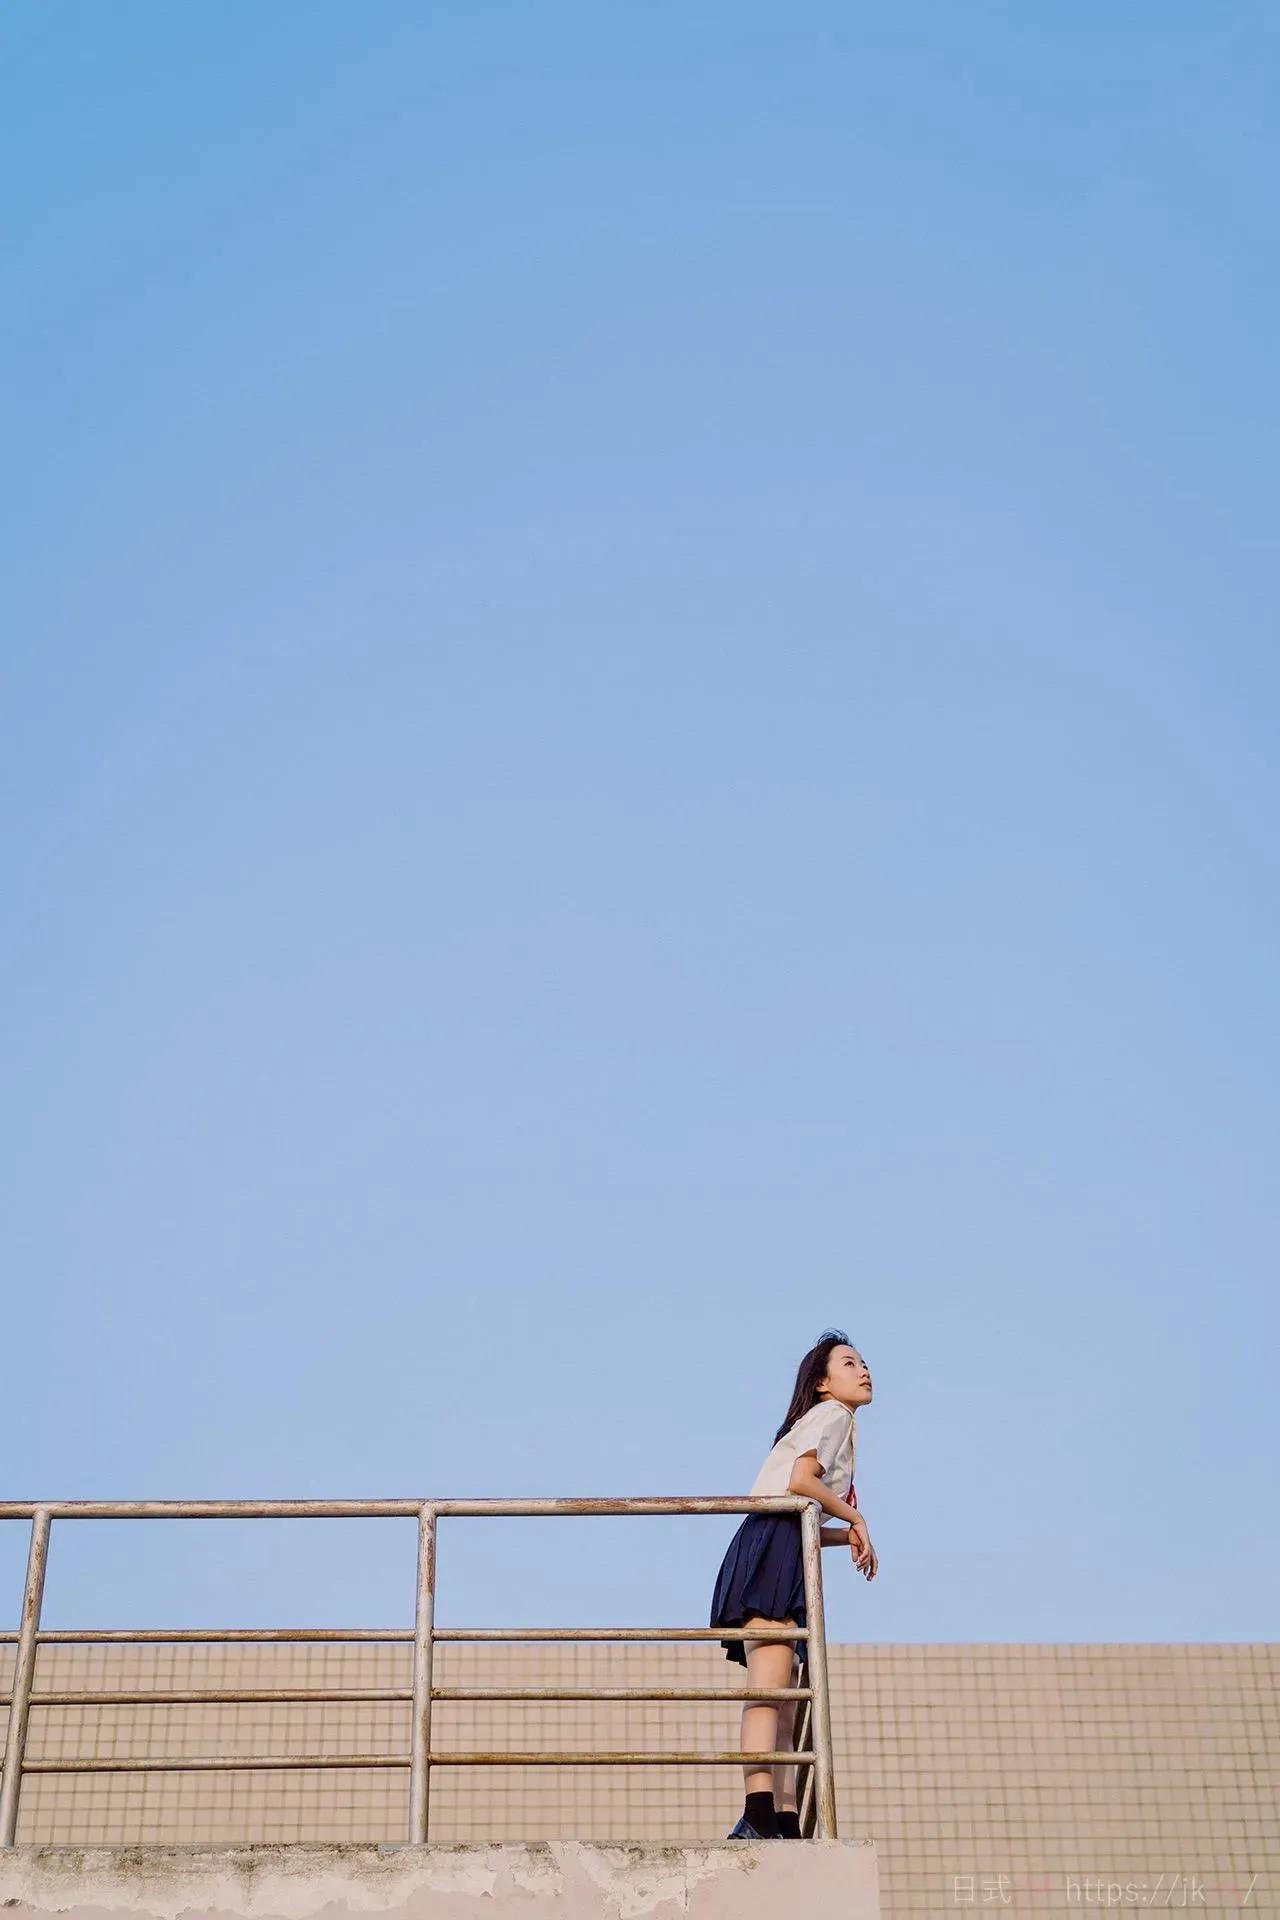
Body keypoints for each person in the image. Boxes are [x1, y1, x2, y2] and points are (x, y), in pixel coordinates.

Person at [708, 1327, 878, 1839]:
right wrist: (855, 1518)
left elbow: (799, 1509)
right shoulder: (833, 1415)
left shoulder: (830, 1420)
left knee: (780, 1696)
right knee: (768, 1691)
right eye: (849, 1363)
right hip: (772, 1546)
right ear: (822, 1383)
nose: (864, 1370)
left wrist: (841, 1535)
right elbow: (800, 1482)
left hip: (778, 1542)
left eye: (863, 1363)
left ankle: (783, 1817)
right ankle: (759, 1814)